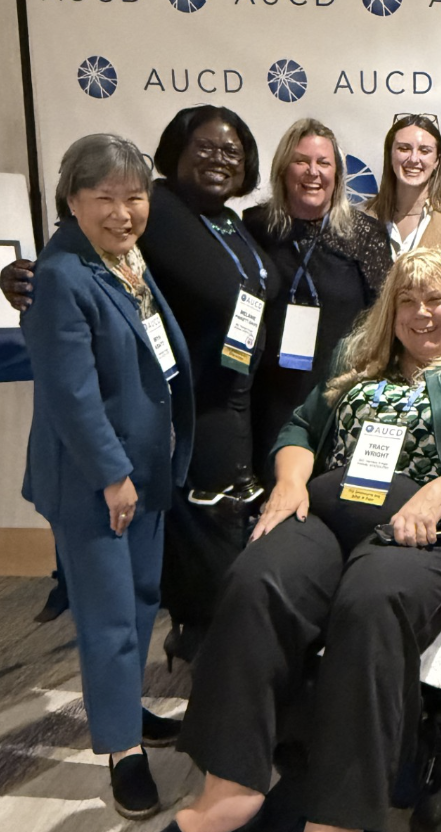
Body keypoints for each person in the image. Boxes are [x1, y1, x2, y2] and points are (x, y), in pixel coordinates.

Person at [162, 248, 441, 832]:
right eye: (407, 300)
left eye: (436, 300)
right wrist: (291, 481)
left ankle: (343, 816)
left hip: (427, 529)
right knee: (255, 578)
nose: (421, 314)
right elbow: (300, 426)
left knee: (370, 603)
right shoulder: (359, 354)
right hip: (326, 512)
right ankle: (230, 788)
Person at [1, 107, 280, 661]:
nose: (219, 159)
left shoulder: (234, 222)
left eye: (232, 151)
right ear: (175, 151)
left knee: (172, 574)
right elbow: (77, 247)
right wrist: (19, 274)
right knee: (174, 571)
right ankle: (201, 687)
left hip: (235, 407)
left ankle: (193, 670)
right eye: (204, 147)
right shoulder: (153, 212)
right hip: (182, 412)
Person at [19, 134, 194, 818]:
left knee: (141, 598)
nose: (123, 212)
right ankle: (122, 753)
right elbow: (70, 393)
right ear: (72, 201)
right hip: (100, 482)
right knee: (109, 617)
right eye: (105, 199)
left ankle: (124, 708)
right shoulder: (62, 274)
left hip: (144, 469)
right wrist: (112, 475)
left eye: (134, 197)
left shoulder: (124, 260)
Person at [243, 118, 392, 467]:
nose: (313, 172)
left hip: (341, 394)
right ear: (283, 169)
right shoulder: (255, 227)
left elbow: (385, 317)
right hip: (272, 397)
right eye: (301, 161)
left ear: (337, 174)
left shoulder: (364, 234)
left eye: (323, 163)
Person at [367, 114, 441, 269]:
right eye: (404, 149)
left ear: (437, 160)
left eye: (424, 151)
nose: (413, 159)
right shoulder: (362, 219)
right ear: (390, 154)